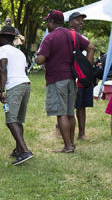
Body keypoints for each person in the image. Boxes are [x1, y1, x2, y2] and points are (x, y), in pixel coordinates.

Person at [35, 10, 95, 152]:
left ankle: (67, 146)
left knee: (61, 113)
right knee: (70, 113)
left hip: (56, 79)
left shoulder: (50, 37)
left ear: (52, 22)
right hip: (71, 79)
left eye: (47, 22)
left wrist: (36, 58)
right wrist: (87, 66)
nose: (47, 25)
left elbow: (40, 59)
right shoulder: (72, 34)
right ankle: (72, 143)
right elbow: (91, 47)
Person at [0, 25, 33, 165]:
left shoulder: (2, 50)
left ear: (4, 38)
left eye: (0, 38)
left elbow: (3, 68)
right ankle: (18, 150)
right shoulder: (20, 52)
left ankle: (25, 151)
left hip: (14, 86)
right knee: (18, 120)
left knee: (11, 120)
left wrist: (2, 90)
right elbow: (25, 70)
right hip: (26, 84)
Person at [68, 11, 94, 139]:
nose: (81, 22)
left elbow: (91, 49)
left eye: (82, 20)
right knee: (69, 106)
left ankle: (81, 133)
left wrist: (86, 70)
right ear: (70, 22)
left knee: (81, 106)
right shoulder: (68, 36)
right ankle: (61, 129)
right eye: (78, 20)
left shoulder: (83, 38)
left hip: (82, 77)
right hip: (71, 76)